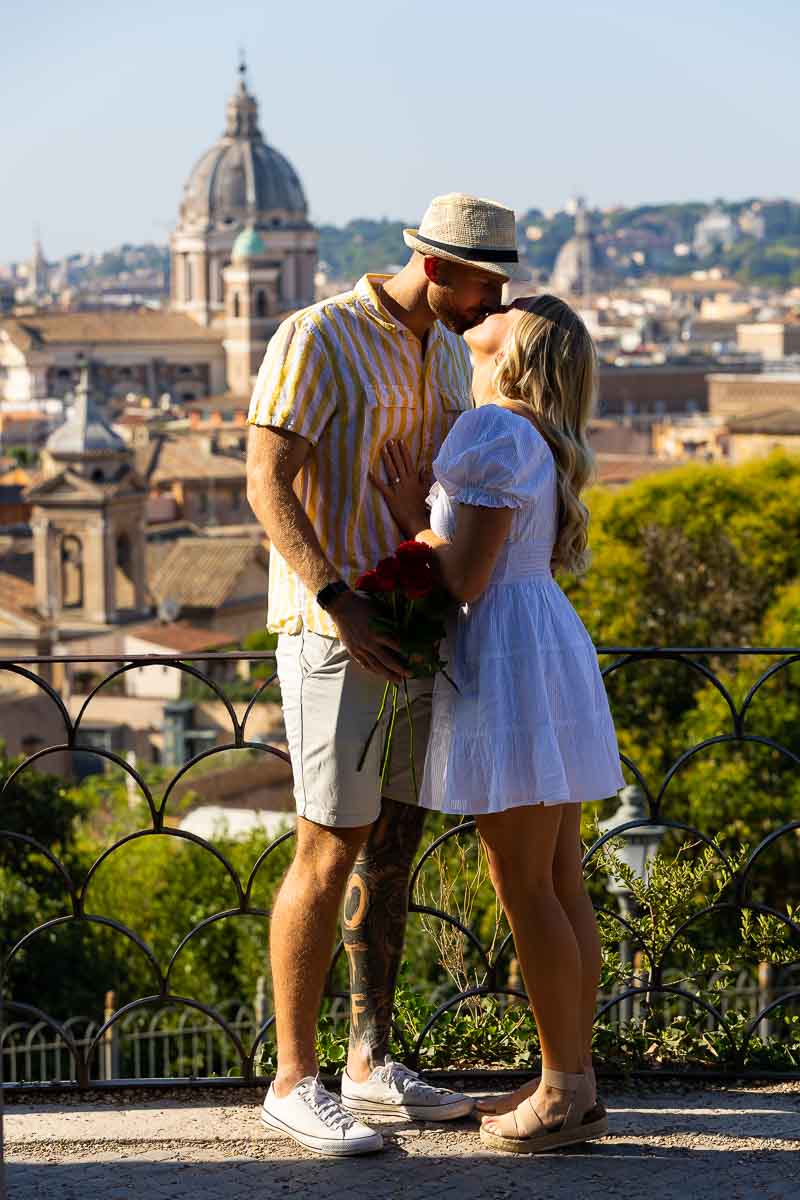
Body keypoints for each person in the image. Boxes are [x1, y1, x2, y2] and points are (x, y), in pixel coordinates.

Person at [246, 194, 519, 1155]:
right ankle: (293, 1079)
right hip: (336, 633)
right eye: (488, 281)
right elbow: (266, 479)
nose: (498, 301)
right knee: (326, 846)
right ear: (439, 268)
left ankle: (367, 1062)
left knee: (390, 846)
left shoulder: (446, 352)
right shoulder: (316, 336)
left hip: (412, 632)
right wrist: (337, 601)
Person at [371, 293, 625, 1155]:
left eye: (511, 310)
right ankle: (572, 1074)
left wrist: (412, 515)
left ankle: (564, 1095)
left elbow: (467, 578)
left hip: (509, 659)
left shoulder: (490, 431)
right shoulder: (539, 438)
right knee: (561, 881)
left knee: (526, 888)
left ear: (519, 350)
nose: (494, 304)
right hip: (546, 643)